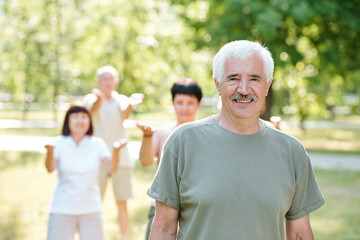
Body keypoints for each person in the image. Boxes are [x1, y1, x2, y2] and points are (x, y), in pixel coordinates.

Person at [147, 40, 325, 240]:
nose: (243, 89)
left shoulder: (292, 151)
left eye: (254, 79)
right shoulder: (183, 142)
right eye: (233, 78)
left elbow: (300, 233)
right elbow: (163, 229)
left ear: (267, 86)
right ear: (217, 85)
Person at [45, 105, 128, 240]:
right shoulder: (59, 143)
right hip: (62, 207)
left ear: (89, 122)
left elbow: (111, 168)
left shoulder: (96, 144)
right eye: (76, 117)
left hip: (91, 208)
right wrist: (49, 152)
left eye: (84, 117)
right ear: (68, 121)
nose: (80, 120)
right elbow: (50, 168)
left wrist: (116, 151)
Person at [136, 78, 202, 240]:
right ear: (173, 103)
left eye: (190, 103)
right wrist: (147, 136)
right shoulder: (163, 133)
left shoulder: (205, 136)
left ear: (198, 105)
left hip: (195, 210)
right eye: (179, 103)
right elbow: (145, 161)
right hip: (162, 209)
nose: (184, 108)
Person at [83, 66, 144, 240]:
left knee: (122, 202)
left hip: (122, 159)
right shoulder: (91, 98)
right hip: (97, 159)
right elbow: (91, 111)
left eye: (111, 79)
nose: (107, 82)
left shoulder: (121, 100)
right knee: (94, 202)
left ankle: (124, 237)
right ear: (98, 82)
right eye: (104, 79)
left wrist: (131, 103)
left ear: (116, 82)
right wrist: (98, 100)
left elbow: (125, 111)